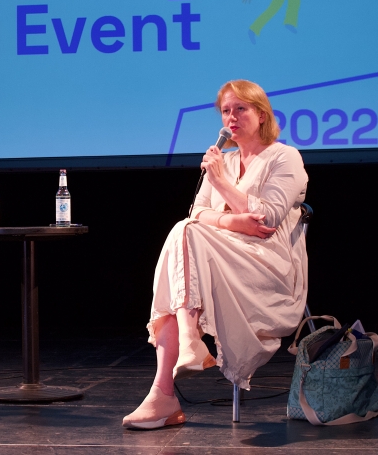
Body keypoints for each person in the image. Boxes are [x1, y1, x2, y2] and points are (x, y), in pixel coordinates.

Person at [122, 80, 309, 429]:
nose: (232, 118)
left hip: (267, 264)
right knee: (184, 229)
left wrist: (222, 184)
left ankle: (170, 382)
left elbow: (267, 218)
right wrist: (235, 220)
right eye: (226, 110)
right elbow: (197, 213)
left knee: (185, 233)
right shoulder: (224, 160)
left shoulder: (284, 157)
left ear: (262, 114)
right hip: (218, 260)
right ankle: (171, 374)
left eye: (241, 109)